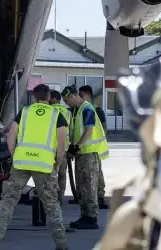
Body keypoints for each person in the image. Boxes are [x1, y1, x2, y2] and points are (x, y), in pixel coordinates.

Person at [0, 84, 68, 250]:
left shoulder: (24, 112)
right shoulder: (57, 114)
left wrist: (14, 155)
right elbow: (62, 144)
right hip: (45, 165)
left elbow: (11, 135)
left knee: (8, 199)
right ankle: (61, 242)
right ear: (48, 97)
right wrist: (57, 164)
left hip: (21, 162)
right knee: (51, 204)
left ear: (34, 97)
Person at [62, 85, 108, 230]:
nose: (66, 104)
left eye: (66, 101)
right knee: (82, 186)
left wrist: (76, 147)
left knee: (88, 186)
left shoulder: (87, 109)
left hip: (88, 154)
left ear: (71, 97)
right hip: (83, 154)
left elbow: (89, 131)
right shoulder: (78, 111)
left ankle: (91, 218)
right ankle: (85, 215)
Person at [78, 85, 109, 210]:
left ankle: (99, 198)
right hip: (88, 148)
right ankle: (94, 198)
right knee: (93, 176)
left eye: (81, 95)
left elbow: (103, 128)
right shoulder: (81, 108)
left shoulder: (95, 110)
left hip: (94, 148)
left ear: (87, 94)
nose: (80, 98)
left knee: (96, 175)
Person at [49, 89, 72, 202]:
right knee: (62, 173)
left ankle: (51, 196)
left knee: (50, 172)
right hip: (64, 148)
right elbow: (71, 130)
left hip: (51, 147)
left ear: (53, 99)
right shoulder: (67, 112)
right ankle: (60, 196)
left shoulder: (50, 110)